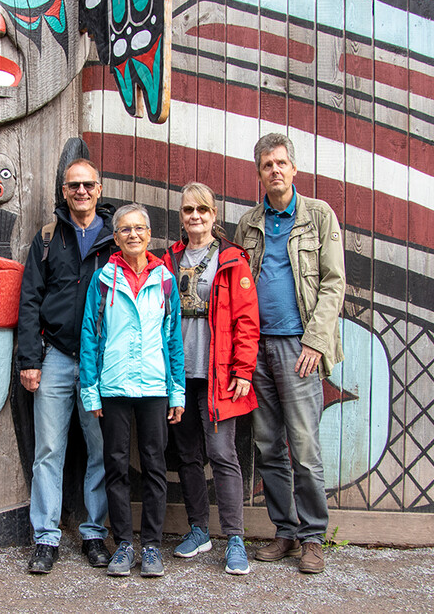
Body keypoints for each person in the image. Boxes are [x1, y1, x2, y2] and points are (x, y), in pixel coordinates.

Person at [235, 132, 346, 574]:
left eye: (281, 163)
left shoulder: (319, 217)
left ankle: (313, 536)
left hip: (299, 347)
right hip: (256, 347)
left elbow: (334, 282)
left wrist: (315, 343)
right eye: (267, 165)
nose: (275, 170)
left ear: (294, 169)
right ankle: (284, 531)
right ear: (259, 172)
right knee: (267, 446)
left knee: (303, 445)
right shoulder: (249, 224)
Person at [16, 158, 118, 574]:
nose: (81, 191)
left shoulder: (116, 238)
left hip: (102, 362)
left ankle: (94, 532)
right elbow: (29, 301)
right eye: (73, 185)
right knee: (49, 450)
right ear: (64, 191)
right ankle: (45, 537)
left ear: (98, 188)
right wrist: (29, 359)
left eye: (87, 184)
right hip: (55, 356)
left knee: (99, 449)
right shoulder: (46, 238)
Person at [80, 204, 186, 578]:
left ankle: (152, 546)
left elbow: (173, 339)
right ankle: (124, 543)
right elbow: (90, 335)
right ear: (116, 236)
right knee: (117, 465)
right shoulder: (104, 278)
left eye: (139, 228)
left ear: (150, 233)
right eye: (125, 229)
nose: (133, 235)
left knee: (155, 466)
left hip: (155, 385)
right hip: (113, 385)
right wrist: (91, 392)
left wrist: (178, 393)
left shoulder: (166, 278)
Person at [162, 182, 260, 575]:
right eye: (188, 210)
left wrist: (244, 370)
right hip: (180, 376)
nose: (195, 216)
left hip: (219, 376)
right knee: (186, 455)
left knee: (222, 454)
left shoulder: (232, 260)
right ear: (182, 216)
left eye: (202, 209)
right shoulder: (168, 259)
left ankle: (235, 539)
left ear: (214, 215)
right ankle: (199, 530)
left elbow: (248, 321)